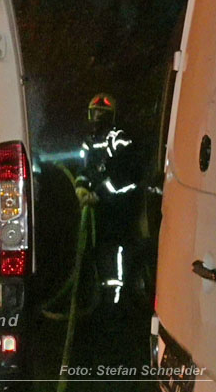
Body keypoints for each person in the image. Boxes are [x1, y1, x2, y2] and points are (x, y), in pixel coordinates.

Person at [75, 93, 143, 311]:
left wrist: (100, 195)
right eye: (94, 113)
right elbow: (85, 169)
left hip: (120, 209)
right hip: (100, 210)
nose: (97, 117)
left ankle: (118, 303)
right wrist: (81, 188)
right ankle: (103, 301)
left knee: (118, 254)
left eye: (102, 114)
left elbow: (124, 176)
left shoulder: (119, 138)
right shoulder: (89, 142)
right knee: (100, 253)